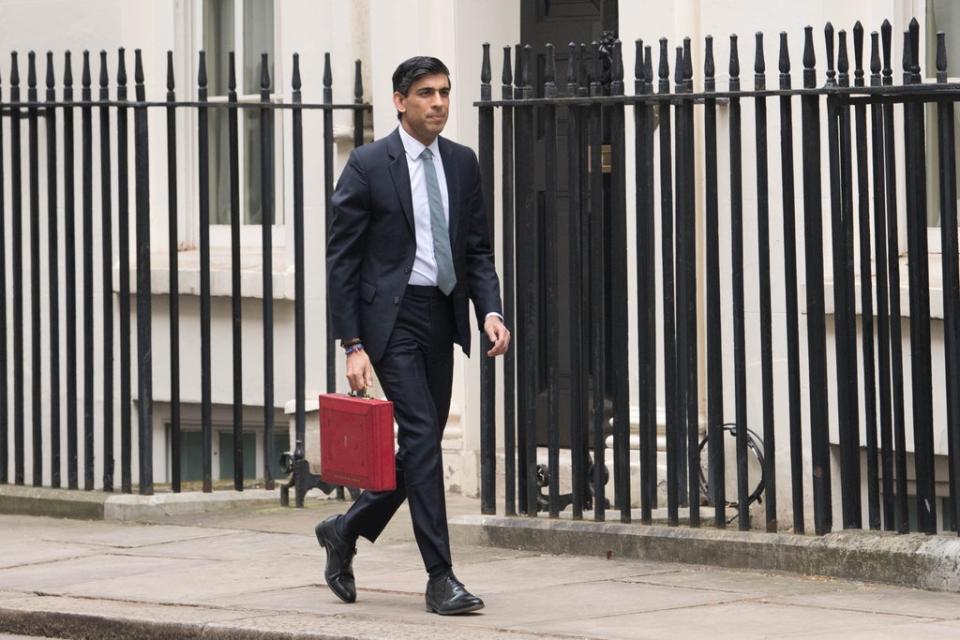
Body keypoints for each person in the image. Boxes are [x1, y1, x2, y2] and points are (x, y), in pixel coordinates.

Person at [318, 55, 510, 615]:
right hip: (391, 321)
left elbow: (476, 249)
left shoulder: (462, 163)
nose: (439, 103)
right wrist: (352, 344)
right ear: (400, 101)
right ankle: (440, 576)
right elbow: (342, 261)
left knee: (418, 448)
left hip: (441, 316)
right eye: (426, 93)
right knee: (424, 435)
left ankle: (344, 529)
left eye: (445, 92)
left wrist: (490, 311)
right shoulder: (368, 165)